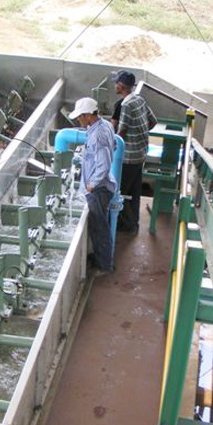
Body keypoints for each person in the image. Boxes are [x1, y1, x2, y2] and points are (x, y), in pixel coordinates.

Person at [69, 97, 117, 275]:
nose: (78, 120)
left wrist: (91, 185)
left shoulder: (98, 134)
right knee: (99, 224)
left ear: (88, 115)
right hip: (100, 186)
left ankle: (104, 266)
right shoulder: (104, 126)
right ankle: (99, 258)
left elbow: (104, 164)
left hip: (99, 189)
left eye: (80, 116)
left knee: (99, 227)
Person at [113, 70, 157, 233]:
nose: (114, 85)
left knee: (120, 192)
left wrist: (111, 146)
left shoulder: (126, 105)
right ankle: (135, 223)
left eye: (116, 82)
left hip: (128, 158)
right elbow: (153, 122)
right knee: (134, 192)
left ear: (122, 86)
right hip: (140, 154)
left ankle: (126, 226)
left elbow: (121, 131)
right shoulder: (139, 100)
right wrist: (139, 136)